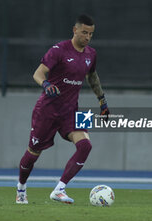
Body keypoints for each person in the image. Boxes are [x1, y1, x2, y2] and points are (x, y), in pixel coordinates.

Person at [15, 14, 109, 205]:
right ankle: (21, 188)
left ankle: (59, 189)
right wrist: (46, 84)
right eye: (84, 32)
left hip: (72, 110)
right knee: (33, 153)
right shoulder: (58, 50)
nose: (87, 37)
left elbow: (92, 77)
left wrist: (102, 101)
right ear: (75, 30)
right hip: (47, 110)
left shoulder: (91, 54)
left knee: (86, 146)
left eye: (91, 33)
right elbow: (38, 73)